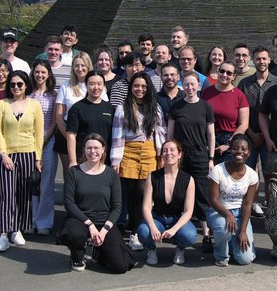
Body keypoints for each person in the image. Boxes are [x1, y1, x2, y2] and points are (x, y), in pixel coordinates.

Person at [61, 134, 136, 273]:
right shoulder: (74, 172)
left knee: (120, 266)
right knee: (75, 235)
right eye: (89, 148)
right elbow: (69, 203)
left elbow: (117, 206)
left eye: (96, 148)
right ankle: (77, 256)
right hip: (80, 219)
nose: (92, 151)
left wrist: (104, 230)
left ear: (103, 150)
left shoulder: (111, 174)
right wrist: (89, 224)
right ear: (84, 150)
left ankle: (97, 251)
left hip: (104, 220)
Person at [110, 71, 163, 251]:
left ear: (148, 89)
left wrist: (160, 154)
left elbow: (160, 132)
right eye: (136, 86)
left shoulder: (154, 108)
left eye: (143, 86)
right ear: (131, 88)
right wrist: (116, 160)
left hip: (148, 151)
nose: (139, 89)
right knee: (131, 194)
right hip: (129, 151)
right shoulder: (122, 108)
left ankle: (141, 230)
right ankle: (133, 232)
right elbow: (117, 136)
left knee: (144, 192)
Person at [0, 70, 44, 252]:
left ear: (26, 86)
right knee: (7, 194)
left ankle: (18, 229)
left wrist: (38, 158)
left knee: (23, 194)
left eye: (19, 84)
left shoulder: (34, 105)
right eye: (12, 84)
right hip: (8, 154)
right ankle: (4, 233)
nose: (16, 87)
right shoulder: (2, 104)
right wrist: (3, 154)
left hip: (28, 153)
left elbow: (39, 133)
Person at [167, 73, 215, 252]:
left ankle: (206, 232)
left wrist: (211, 158)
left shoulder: (206, 107)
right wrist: (169, 155)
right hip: (180, 155)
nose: (189, 87)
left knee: (202, 195)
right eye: (186, 84)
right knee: (178, 192)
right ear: (182, 86)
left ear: (198, 86)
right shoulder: (176, 106)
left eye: (193, 84)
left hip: (200, 154)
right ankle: (177, 229)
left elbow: (211, 135)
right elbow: (170, 134)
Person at [138, 140, 198, 265]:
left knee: (190, 235)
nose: (168, 153)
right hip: (157, 219)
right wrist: (153, 228)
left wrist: (174, 229)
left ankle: (180, 248)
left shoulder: (188, 179)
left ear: (179, 154)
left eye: (172, 150)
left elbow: (188, 211)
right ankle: (151, 249)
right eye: (165, 150)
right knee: (144, 232)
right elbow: (146, 207)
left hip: (178, 219)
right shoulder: (153, 176)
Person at [238, 46, 277, 214]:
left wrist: (264, 135)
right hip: (248, 136)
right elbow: (240, 112)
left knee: (270, 175)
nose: (261, 62)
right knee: (246, 174)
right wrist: (251, 133)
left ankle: (271, 211)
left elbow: (276, 113)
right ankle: (247, 209)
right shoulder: (245, 83)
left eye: (264, 59)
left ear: (269, 60)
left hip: (269, 138)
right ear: (253, 61)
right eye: (258, 59)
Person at [207, 134, 259, 266]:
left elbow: (247, 205)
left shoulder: (252, 175)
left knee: (245, 259)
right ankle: (221, 256)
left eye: (243, 149)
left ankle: (230, 241)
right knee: (222, 227)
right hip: (219, 211)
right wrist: (228, 214)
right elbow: (213, 200)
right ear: (230, 150)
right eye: (235, 148)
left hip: (240, 214)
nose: (239, 152)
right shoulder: (218, 170)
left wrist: (242, 231)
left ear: (249, 153)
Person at [29, 59, 59, 235]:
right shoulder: (27, 94)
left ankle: (44, 222)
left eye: (43, 72)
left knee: (46, 185)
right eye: (37, 72)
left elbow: (55, 121)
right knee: (30, 183)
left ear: (48, 74)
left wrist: (43, 140)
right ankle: (31, 219)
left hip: (48, 142)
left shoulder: (54, 95)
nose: (39, 75)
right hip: (27, 143)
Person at [55, 53, 96, 172]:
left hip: (89, 136)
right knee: (70, 174)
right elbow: (59, 116)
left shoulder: (97, 85)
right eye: (76, 66)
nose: (80, 68)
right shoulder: (66, 86)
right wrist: (69, 138)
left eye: (83, 65)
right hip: (67, 134)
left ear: (88, 66)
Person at [203, 61, 250, 163]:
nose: (224, 75)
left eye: (229, 73)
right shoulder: (207, 92)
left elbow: (244, 124)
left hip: (229, 141)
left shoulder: (239, 96)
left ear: (234, 76)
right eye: (222, 71)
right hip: (208, 139)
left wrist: (229, 144)